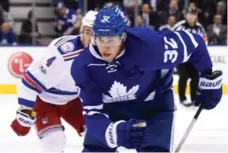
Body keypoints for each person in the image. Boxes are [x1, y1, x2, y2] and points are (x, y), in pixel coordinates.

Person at [71, 7, 223, 152]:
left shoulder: (150, 47)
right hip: (109, 110)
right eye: (100, 39)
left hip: (153, 107)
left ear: (123, 37)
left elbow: (195, 44)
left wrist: (208, 78)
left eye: (111, 40)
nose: (105, 47)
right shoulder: (83, 66)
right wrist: (113, 133)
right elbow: (92, 113)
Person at [10, 10, 97, 153]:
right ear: (81, 31)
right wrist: (25, 108)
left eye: (97, 34)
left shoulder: (108, 54)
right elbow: (30, 82)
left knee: (100, 135)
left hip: (74, 100)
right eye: (89, 32)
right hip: (45, 100)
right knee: (54, 143)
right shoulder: (63, 53)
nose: (93, 39)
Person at [172, 6, 208, 106]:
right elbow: (170, 38)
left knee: (196, 77)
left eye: (193, 15)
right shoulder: (179, 26)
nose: (191, 17)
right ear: (185, 15)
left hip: (195, 58)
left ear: (196, 16)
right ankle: (182, 98)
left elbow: (205, 41)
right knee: (183, 76)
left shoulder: (200, 28)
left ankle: (194, 98)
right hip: (182, 57)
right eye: (189, 15)